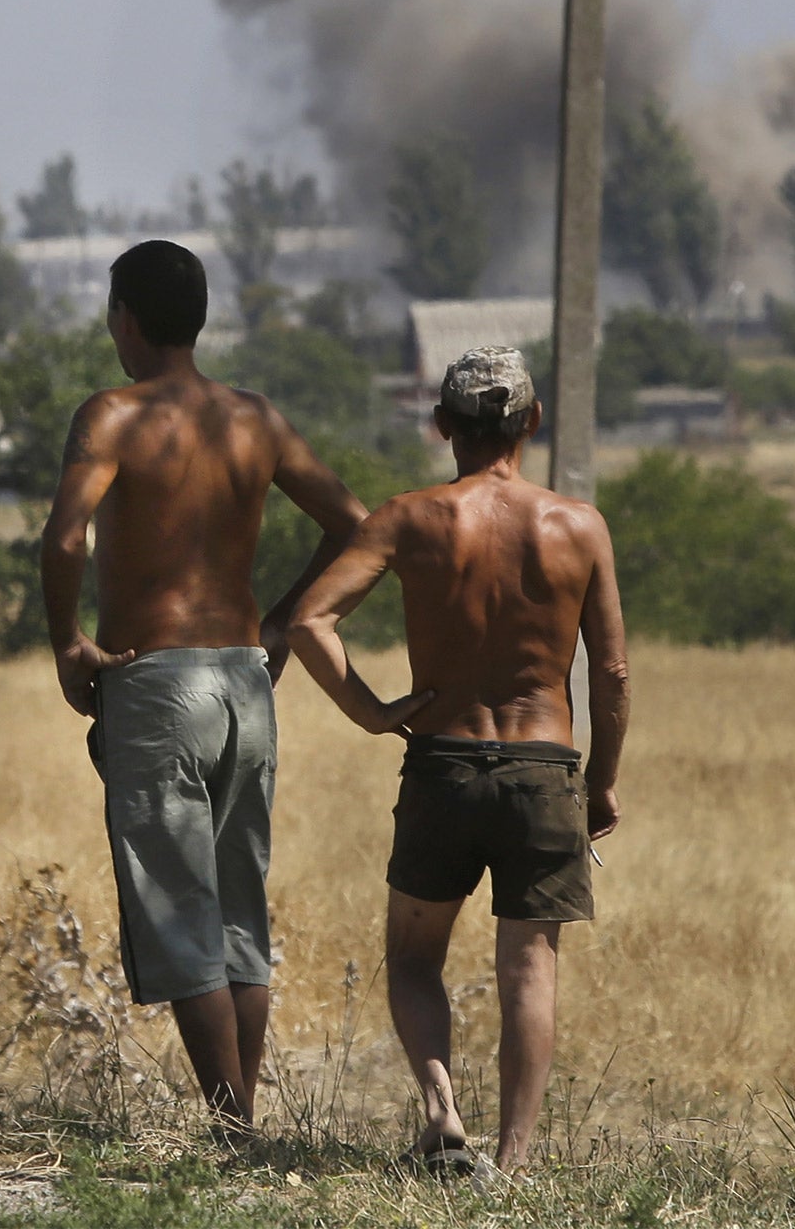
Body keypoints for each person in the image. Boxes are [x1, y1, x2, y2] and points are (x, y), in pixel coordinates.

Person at [41, 239, 366, 1134]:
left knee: (180, 908)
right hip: (243, 682)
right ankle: (242, 1124)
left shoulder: (111, 415)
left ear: (125, 320)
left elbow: (66, 539)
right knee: (236, 907)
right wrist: (285, 626)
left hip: (157, 683)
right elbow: (353, 525)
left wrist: (68, 640)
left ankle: (233, 1128)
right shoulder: (255, 418)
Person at [286, 346, 628, 1177]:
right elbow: (612, 672)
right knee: (529, 967)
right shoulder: (579, 526)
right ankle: (511, 1164)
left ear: (443, 427)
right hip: (546, 768)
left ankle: (442, 1110)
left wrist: (373, 714)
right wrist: (603, 783)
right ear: (532, 422)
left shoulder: (410, 518)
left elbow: (308, 623)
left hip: (442, 761)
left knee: (411, 957)